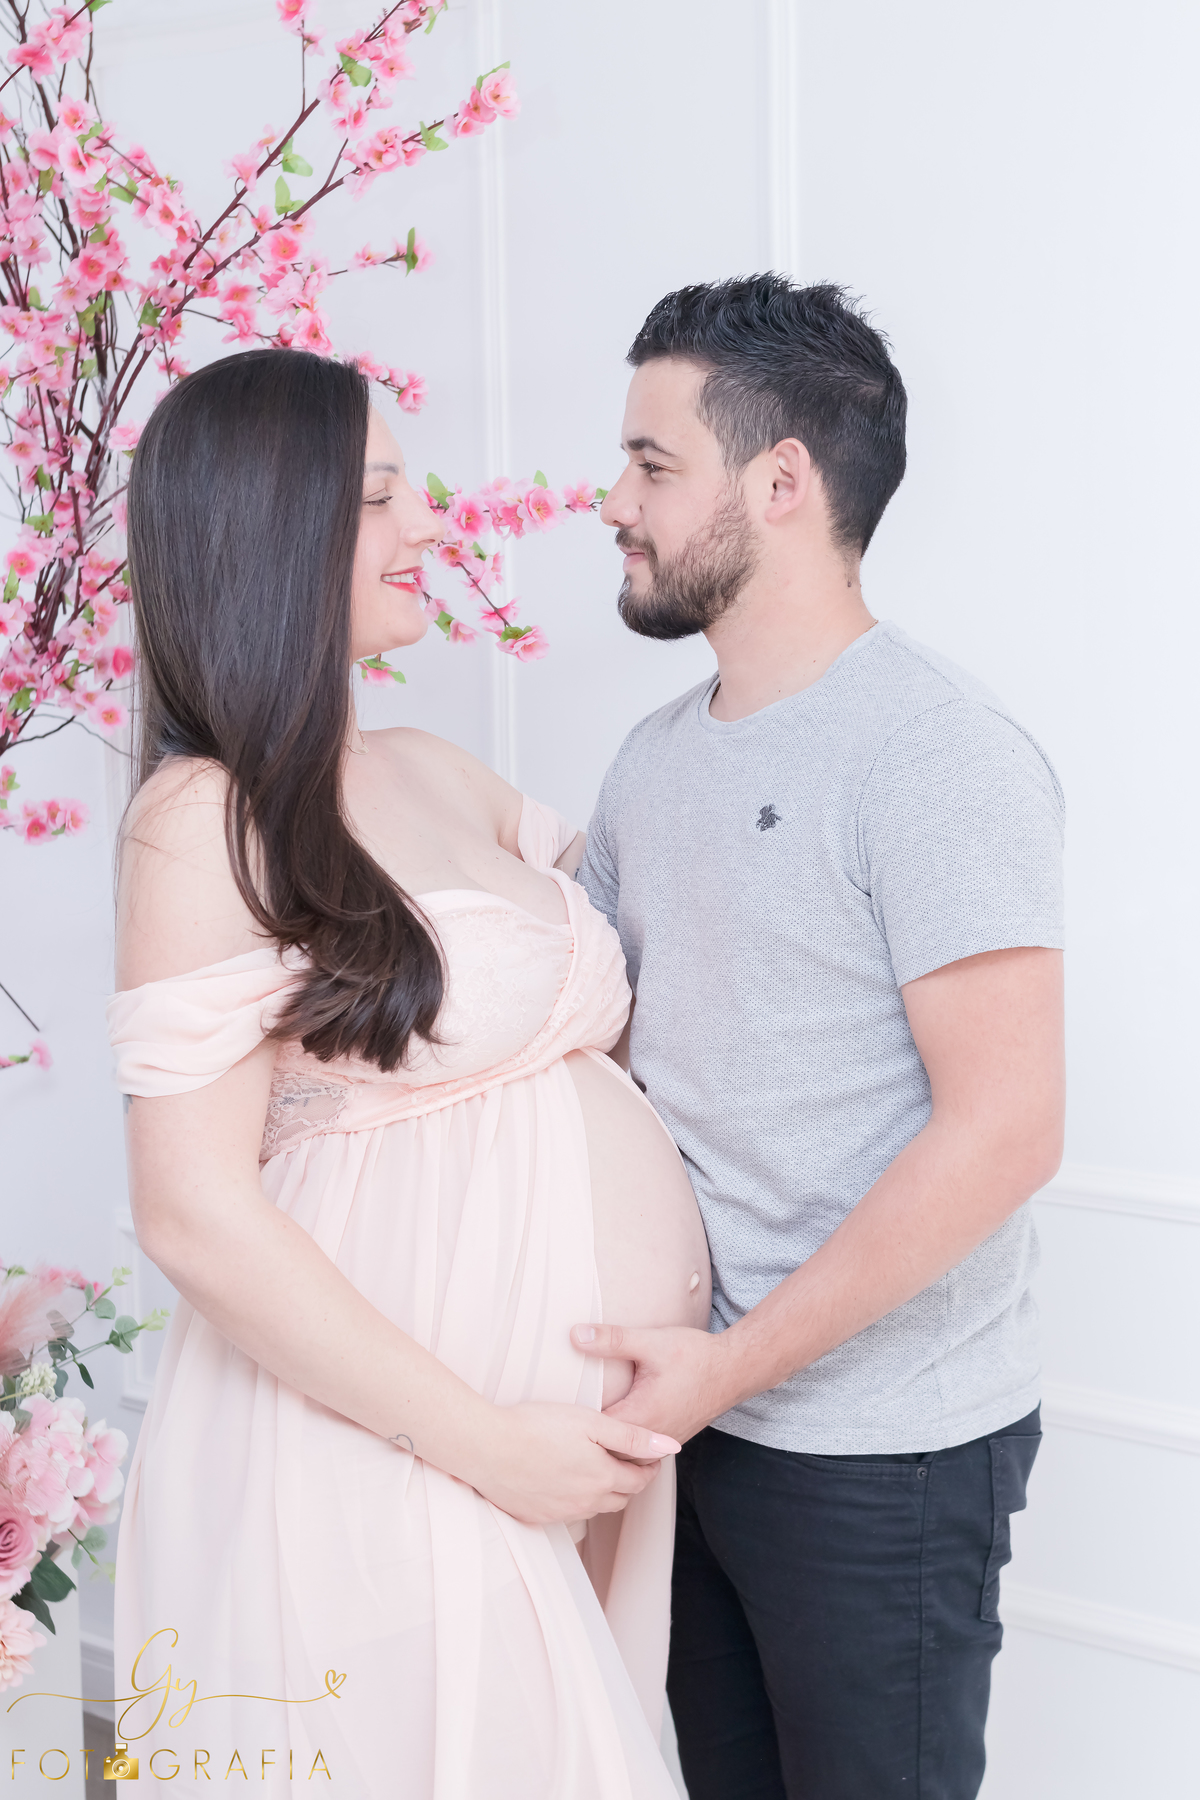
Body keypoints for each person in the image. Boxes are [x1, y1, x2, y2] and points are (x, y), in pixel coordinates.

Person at [106, 346, 710, 1798]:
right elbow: (191, 1212)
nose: (430, 525)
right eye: (380, 496)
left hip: (578, 1451)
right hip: (396, 1455)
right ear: (273, 531)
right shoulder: (205, 821)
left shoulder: (437, 768)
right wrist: (493, 1447)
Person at [574, 276, 1066, 1800]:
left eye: (653, 465)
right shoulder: (649, 765)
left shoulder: (933, 752)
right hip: (690, 1425)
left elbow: (1006, 1131)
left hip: (882, 1455)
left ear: (779, 482)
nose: (612, 502)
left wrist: (728, 1370)